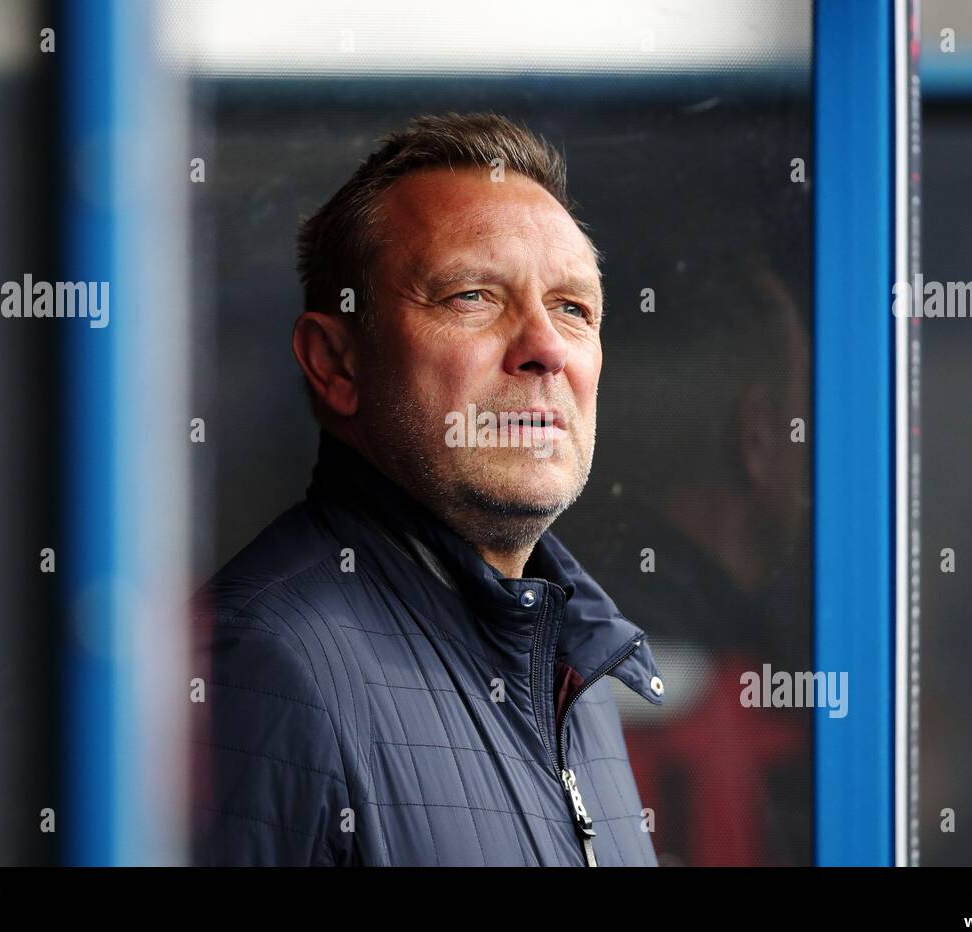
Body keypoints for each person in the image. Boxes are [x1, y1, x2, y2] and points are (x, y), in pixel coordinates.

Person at [189, 112, 665, 866]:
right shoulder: (257, 666)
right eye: (472, 296)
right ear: (336, 364)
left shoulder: (577, 670)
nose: (545, 347)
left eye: (573, 308)